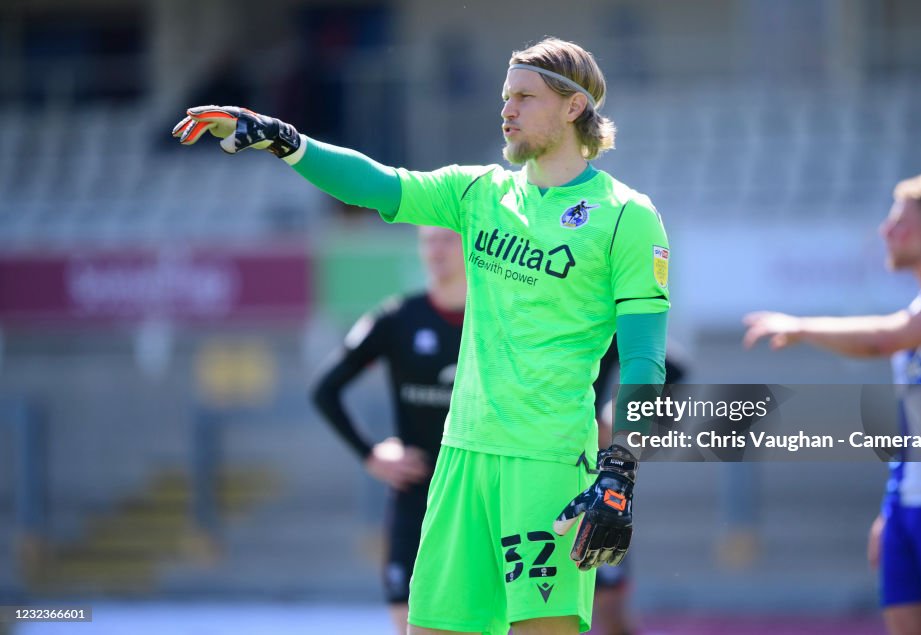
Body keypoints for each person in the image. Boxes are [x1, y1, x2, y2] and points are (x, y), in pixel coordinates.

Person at [173, 37, 671, 635]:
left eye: (523, 97)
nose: (506, 109)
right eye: (504, 96)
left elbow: (644, 358)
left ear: (572, 107)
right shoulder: (478, 191)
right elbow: (375, 185)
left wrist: (621, 470)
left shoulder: (627, 215)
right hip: (460, 457)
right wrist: (285, 140)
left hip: (548, 461)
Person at [743, 174, 921, 635]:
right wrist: (891, 507)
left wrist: (802, 327)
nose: (885, 232)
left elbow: (882, 340)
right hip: (910, 504)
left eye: (897, 222)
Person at [310, 226, 465, 634]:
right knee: (409, 623)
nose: (435, 250)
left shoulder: (505, 320)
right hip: (416, 496)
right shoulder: (397, 317)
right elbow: (324, 390)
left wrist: (606, 424)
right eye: (427, 240)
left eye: (447, 239)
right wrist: (370, 454)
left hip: (481, 496)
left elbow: (655, 372)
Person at [592, 338, 688, 635]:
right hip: (526, 468)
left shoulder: (597, 316)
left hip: (590, 477)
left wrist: (614, 416)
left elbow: (669, 366)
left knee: (609, 604)